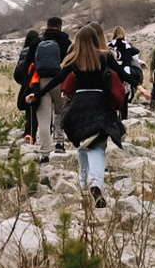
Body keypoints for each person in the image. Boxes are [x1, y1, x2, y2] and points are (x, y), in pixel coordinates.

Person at [50, 23, 132, 210]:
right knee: (98, 146)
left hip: (78, 106)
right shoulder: (105, 56)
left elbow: (60, 79)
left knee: (83, 144)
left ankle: (83, 182)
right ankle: (96, 184)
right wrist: (141, 87)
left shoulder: (74, 56)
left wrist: (36, 94)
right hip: (100, 104)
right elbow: (120, 75)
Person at [29, 17, 69, 159]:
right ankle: (59, 143)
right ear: (60, 27)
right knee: (60, 112)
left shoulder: (37, 42)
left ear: (47, 26)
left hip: (40, 82)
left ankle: (44, 153)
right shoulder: (66, 41)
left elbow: (29, 64)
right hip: (60, 80)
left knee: (44, 119)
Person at [11, 29, 42, 139]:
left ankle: (28, 132)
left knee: (29, 109)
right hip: (38, 80)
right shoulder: (40, 49)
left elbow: (19, 70)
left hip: (27, 81)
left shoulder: (24, 51)